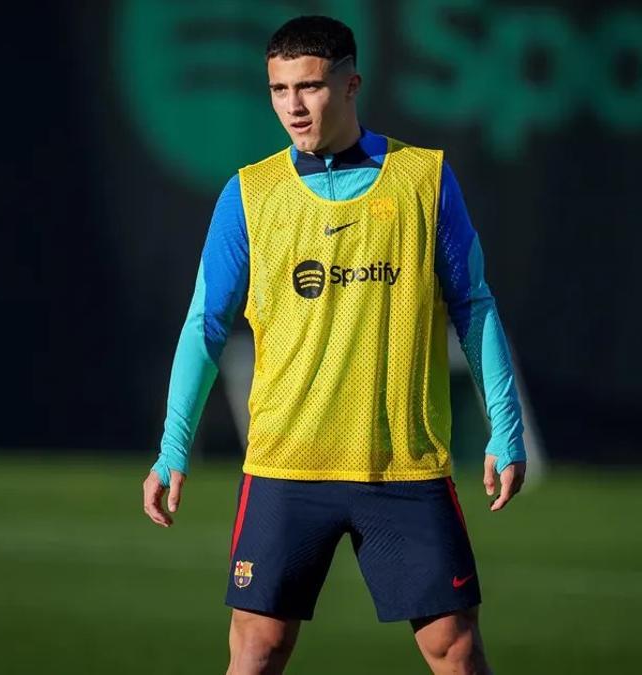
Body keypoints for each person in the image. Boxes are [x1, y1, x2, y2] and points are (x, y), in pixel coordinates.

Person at [142, 15, 527, 675]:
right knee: (257, 651)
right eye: (279, 88)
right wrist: (172, 447)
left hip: (402, 467)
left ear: (352, 84)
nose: (293, 105)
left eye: (311, 86)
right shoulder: (249, 195)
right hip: (286, 468)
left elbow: (474, 304)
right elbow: (205, 322)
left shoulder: (425, 181)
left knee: (455, 650)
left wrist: (505, 429)